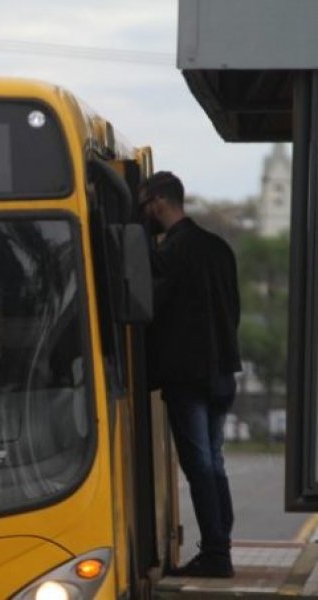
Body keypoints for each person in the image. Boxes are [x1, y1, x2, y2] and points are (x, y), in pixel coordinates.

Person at [140, 171, 241, 578]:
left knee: (198, 463)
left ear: (160, 203)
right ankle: (223, 543)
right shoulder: (219, 249)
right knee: (214, 461)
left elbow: (149, 310)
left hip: (188, 376)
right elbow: (232, 310)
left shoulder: (169, 254)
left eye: (146, 204)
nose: (145, 212)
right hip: (223, 371)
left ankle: (216, 553)